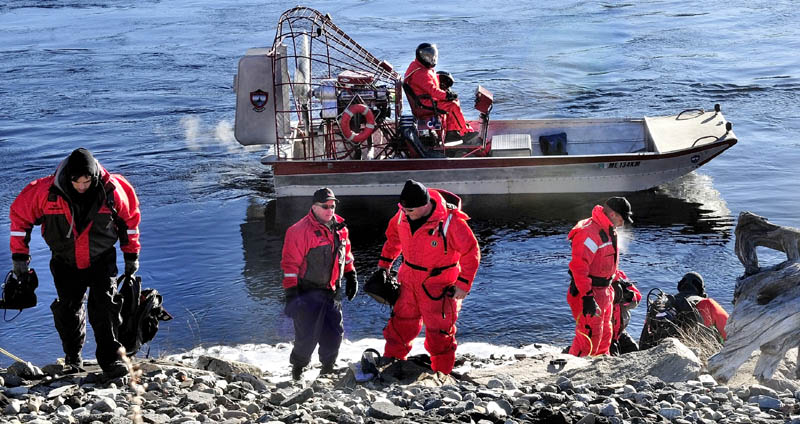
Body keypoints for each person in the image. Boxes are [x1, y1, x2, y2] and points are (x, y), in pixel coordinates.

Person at [9, 148, 141, 378]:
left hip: (102, 259)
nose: (82, 186)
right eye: (77, 181)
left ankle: (111, 361)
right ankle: (73, 357)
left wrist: (131, 255)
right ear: (69, 177)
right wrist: (19, 258)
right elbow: (20, 219)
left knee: (104, 308)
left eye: (87, 180)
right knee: (68, 310)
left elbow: (130, 221)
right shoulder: (44, 191)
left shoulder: (114, 189)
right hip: (64, 260)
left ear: (94, 177)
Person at [374, 179, 480, 374]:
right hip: (407, 280)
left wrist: (463, 284)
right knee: (399, 325)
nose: (406, 214)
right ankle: (392, 366)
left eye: (410, 211)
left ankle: (442, 375)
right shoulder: (402, 215)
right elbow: (393, 239)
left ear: (425, 205)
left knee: (440, 333)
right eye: (404, 209)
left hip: (439, 286)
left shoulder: (451, 221)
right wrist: (384, 265)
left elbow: (471, 252)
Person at [281, 188, 358, 380]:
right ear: (314, 207)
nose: (330, 210)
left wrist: (351, 275)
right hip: (308, 292)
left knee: (334, 333)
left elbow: (346, 254)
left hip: (332, 290)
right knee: (306, 337)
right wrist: (291, 295)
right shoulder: (298, 231)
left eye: (332, 206)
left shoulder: (341, 227)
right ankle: (297, 370)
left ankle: (328, 367)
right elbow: (290, 265)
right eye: (325, 206)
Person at [566, 196, 633, 357]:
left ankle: (600, 367)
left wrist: (616, 281)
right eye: (622, 219)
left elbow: (606, 261)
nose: (623, 223)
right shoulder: (588, 233)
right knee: (588, 336)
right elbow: (579, 268)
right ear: (613, 214)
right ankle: (575, 370)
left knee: (605, 334)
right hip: (589, 292)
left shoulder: (608, 230)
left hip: (605, 291)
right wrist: (587, 298)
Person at [404, 43, 479, 143]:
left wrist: (440, 79)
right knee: (452, 105)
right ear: (422, 57)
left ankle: (451, 131)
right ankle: (464, 133)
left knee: (454, 101)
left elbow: (428, 83)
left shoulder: (418, 66)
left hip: (424, 100)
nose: (432, 59)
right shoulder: (421, 73)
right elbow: (432, 90)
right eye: (429, 57)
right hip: (424, 104)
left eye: (433, 56)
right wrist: (447, 96)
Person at [675, 271, 729, 340]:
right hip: (696, 345)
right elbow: (731, 331)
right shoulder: (707, 304)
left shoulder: (667, 301)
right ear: (701, 289)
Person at [609, 270, 642, 355]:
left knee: (635, 350)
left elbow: (637, 299)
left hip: (619, 331)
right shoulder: (592, 279)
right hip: (602, 333)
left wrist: (627, 296)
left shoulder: (619, 275)